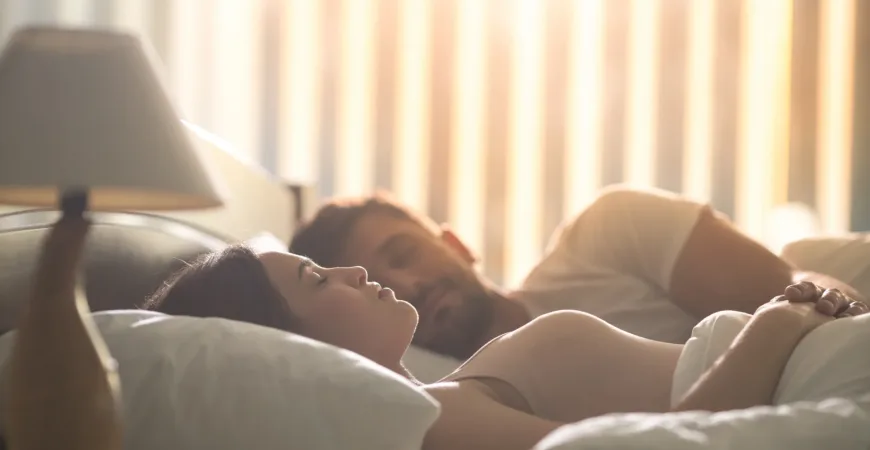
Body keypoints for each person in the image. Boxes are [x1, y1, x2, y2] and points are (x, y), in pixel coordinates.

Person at [144, 244, 869, 450]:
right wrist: (778, 323)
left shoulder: (442, 397)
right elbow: (682, 442)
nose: (357, 272)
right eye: (316, 276)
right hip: (802, 367)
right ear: (287, 347)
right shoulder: (428, 419)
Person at [289, 186, 864, 360]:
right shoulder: (467, 409)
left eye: (405, 253)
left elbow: (800, 289)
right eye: (383, 284)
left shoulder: (611, 231)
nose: (410, 284)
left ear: (458, 243)